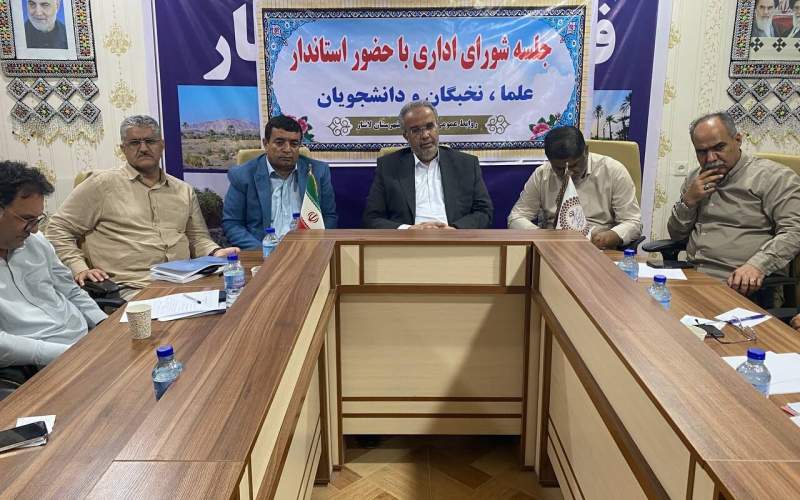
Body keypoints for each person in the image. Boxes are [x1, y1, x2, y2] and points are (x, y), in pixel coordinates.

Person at [45, 115, 239, 300]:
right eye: (135, 143)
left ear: (162, 145)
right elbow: (57, 229)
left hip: (187, 284)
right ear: (123, 149)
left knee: (238, 303)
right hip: (132, 289)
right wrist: (79, 268)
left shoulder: (183, 190)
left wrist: (215, 252)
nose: (144, 148)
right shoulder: (101, 185)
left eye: (150, 141)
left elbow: (197, 238)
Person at [667, 112, 800, 303]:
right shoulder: (695, 179)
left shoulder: (774, 177)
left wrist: (757, 266)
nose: (711, 158)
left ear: (737, 140)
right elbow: (676, 235)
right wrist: (688, 202)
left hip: (740, 285)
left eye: (719, 147)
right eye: (702, 152)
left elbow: (794, 231)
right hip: (692, 276)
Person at [0, 161, 106, 385]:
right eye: (27, 220)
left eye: (38, 219)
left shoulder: (36, 242)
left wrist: (104, 324)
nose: (35, 229)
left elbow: (70, 290)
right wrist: (65, 354)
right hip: (39, 362)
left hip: (85, 339)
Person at [363, 101, 493, 229]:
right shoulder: (388, 167)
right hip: (408, 240)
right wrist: (408, 230)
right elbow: (371, 218)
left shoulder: (466, 164)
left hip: (453, 238)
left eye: (430, 126)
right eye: (415, 130)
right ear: (406, 136)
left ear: (438, 127)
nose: (425, 135)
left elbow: (484, 211)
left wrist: (454, 230)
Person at [507, 126, 641, 249]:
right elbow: (516, 217)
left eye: (574, 165)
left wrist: (608, 237)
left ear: (586, 151)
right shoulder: (543, 174)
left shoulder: (613, 171)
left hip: (598, 249)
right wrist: (541, 235)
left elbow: (633, 221)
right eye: (559, 168)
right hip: (553, 248)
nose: (568, 172)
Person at [223, 115, 337, 248]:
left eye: (294, 144)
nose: (287, 149)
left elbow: (329, 217)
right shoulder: (243, 175)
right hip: (263, 251)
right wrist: (263, 251)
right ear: (266, 144)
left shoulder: (318, 172)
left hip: (306, 249)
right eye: (279, 142)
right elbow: (233, 224)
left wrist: (315, 246)